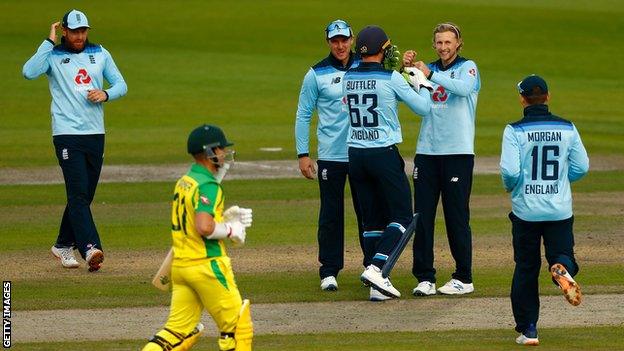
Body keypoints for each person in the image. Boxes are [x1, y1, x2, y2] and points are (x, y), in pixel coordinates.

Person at [22, 9, 127, 272]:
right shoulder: (53, 56)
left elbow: (121, 85)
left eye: (83, 31)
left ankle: (62, 244)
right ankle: (90, 247)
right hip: (66, 133)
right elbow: (28, 72)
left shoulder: (100, 53)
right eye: (74, 31)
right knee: (78, 194)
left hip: (95, 133)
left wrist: (105, 93)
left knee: (84, 196)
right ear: (65, 31)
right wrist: (48, 42)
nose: (80, 36)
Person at [142, 124, 254, 351]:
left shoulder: (186, 181)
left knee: (175, 332)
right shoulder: (208, 186)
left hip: (182, 267)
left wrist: (221, 218)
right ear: (211, 152)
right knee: (237, 329)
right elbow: (203, 226)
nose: (224, 153)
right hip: (207, 266)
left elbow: (195, 222)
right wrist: (231, 229)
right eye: (221, 149)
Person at [500, 75, 588, 346]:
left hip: (526, 211)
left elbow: (510, 171)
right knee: (563, 255)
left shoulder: (514, 130)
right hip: (559, 209)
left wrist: (513, 188)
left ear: (522, 99)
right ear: (548, 97)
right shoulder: (567, 128)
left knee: (526, 267)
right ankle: (561, 267)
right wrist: (561, 181)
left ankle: (528, 329)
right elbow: (582, 166)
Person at [345, 25, 431, 299]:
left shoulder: (348, 76)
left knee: (372, 220)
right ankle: (377, 268)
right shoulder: (391, 78)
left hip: (355, 155)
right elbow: (423, 108)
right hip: (382, 153)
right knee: (403, 216)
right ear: (382, 51)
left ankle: (376, 286)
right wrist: (422, 83)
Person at [402, 22, 480, 296]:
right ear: (434, 44)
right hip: (427, 152)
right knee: (422, 217)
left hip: (457, 152)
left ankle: (463, 277)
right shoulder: (427, 71)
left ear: (458, 43)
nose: (443, 47)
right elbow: (410, 98)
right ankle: (425, 277)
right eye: (439, 43)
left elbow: (462, 89)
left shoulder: (468, 67)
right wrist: (406, 70)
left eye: (448, 42)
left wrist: (430, 73)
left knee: (456, 217)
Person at [295, 19, 365, 293]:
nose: (340, 45)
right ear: (328, 42)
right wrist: (303, 154)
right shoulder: (316, 74)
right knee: (331, 214)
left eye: (344, 40)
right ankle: (329, 270)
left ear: (352, 39)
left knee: (367, 212)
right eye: (335, 41)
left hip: (362, 152)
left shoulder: (368, 65)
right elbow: (303, 114)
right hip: (331, 155)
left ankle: (373, 266)